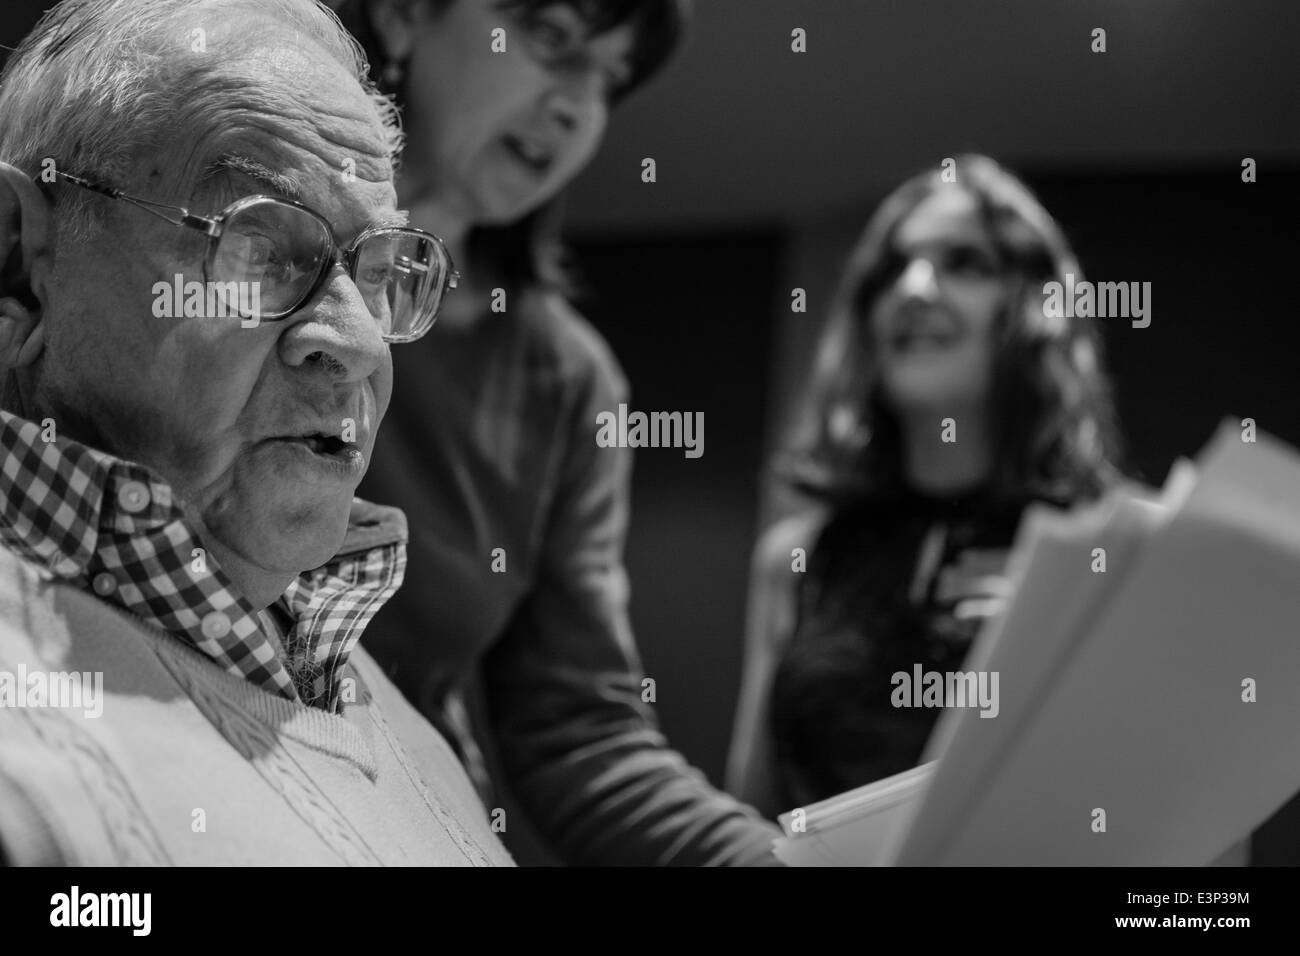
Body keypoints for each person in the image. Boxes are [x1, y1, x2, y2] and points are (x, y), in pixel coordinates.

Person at [0, 0, 512, 866]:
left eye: (383, 271)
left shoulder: (412, 729)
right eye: (260, 247)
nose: (356, 346)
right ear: (18, 259)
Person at [334, 0, 781, 865]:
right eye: (550, 40)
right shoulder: (230, 240)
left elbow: (576, 725)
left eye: (609, 77)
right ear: (400, 16)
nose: (579, 106)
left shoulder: (567, 378)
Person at [727, 155, 1125, 819]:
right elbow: (747, 829)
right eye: (892, 269)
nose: (914, 288)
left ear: (1033, 307)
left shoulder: (1116, 550)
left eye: (965, 262)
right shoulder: (793, 561)